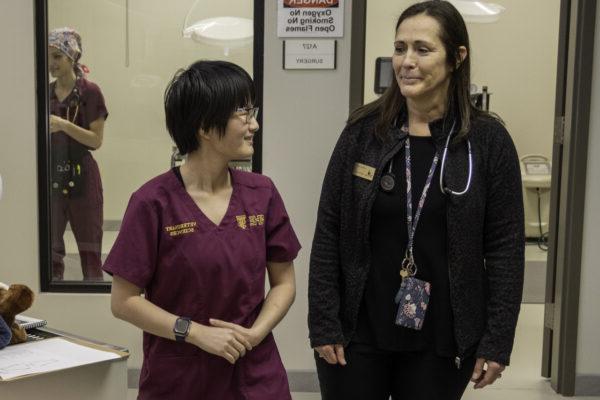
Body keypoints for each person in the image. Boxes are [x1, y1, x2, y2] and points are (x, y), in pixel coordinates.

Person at [308, 1, 524, 399]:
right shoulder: (363, 132)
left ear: (457, 57)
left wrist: (497, 339)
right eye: (399, 48)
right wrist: (323, 322)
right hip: (358, 334)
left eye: (423, 49)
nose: (406, 62)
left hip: (442, 340)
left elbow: (505, 249)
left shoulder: (488, 142)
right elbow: (329, 232)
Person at [103, 60, 301, 399]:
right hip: (180, 377)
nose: (253, 124)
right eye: (243, 114)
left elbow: (284, 283)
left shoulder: (262, 193)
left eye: (252, 112)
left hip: (254, 373)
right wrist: (195, 333)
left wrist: (255, 334)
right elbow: (123, 301)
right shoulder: (152, 202)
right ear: (205, 127)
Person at [49, 27, 107, 281]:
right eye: (48, 57)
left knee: (90, 250)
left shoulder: (90, 92)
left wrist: (63, 125)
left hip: (83, 179)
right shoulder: (44, 93)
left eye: (57, 57)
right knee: (50, 253)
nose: (51, 64)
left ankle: (93, 309)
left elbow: (95, 140)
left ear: (72, 57)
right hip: (51, 175)